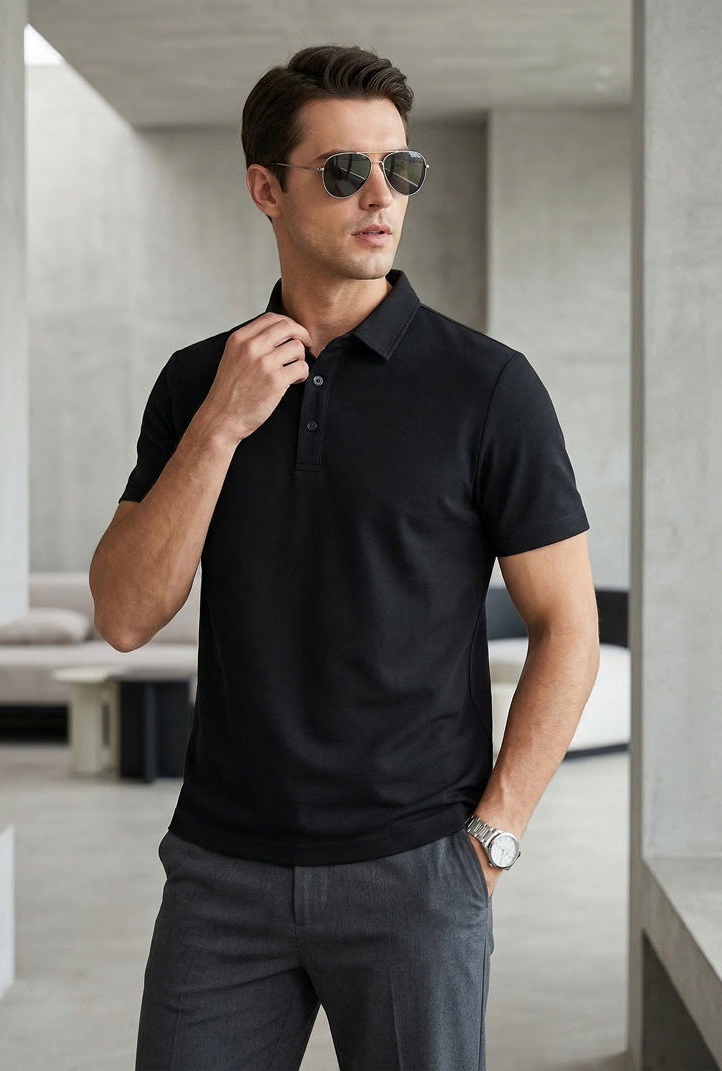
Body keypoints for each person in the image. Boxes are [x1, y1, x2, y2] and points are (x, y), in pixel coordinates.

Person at [89, 43, 600, 1071]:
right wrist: (221, 425)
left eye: (398, 168)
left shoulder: (487, 386)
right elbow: (125, 615)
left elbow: (567, 626)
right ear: (265, 189)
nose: (379, 194)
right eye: (342, 170)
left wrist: (493, 838)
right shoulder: (196, 382)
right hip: (221, 872)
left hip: (417, 872)